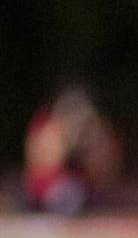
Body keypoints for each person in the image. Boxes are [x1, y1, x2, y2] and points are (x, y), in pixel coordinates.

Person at [22, 84, 123, 215]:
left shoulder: (96, 132)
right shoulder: (48, 129)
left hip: (87, 191)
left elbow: (106, 171)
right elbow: (39, 167)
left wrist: (87, 150)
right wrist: (65, 146)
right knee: (67, 192)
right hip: (49, 190)